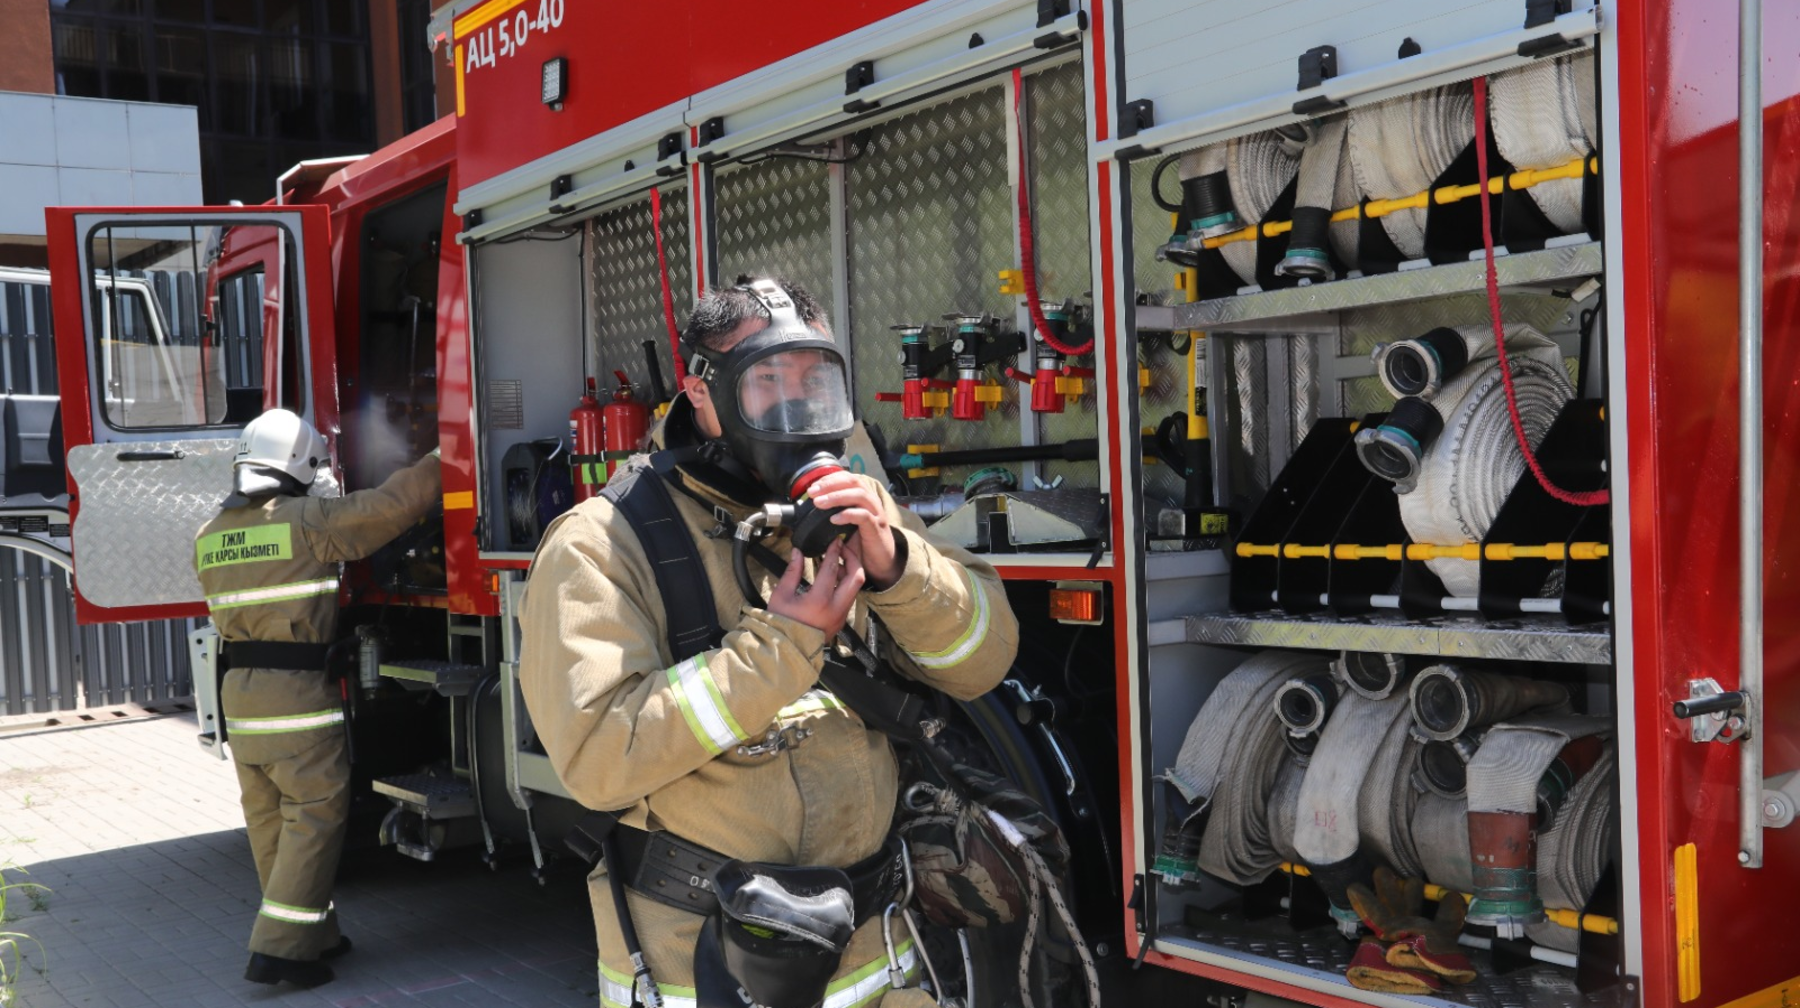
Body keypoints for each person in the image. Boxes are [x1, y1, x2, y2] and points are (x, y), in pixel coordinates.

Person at [520, 279, 1019, 1008]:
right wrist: (784, 644)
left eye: (814, 384)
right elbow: (598, 758)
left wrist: (899, 569)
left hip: (878, 954)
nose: (796, 411)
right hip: (709, 968)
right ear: (701, 392)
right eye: (766, 384)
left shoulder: (856, 504)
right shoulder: (602, 543)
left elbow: (983, 662)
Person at [193, 408, 441, 989]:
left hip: (242, 700)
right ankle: (280, 953)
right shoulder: (306, 521)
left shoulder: (209, 534)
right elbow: (389, 508)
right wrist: (441, 456)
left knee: (270, 822)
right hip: (297, 699)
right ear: (300, 464)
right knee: (312, 817)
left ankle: (315, 932)